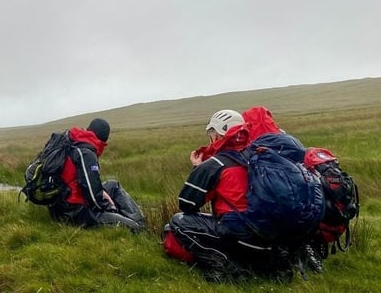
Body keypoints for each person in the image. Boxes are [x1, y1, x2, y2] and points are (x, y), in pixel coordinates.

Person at [163, 108, 285, 281]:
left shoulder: (216, 163)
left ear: (219, 135)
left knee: (179, 222)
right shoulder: (259, 155)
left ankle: (226, 267)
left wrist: (198, 168)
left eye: (212, 132)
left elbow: (187, 204)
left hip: (242, 235)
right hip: (273, 237)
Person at [48, 118, 146, 232]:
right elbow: (92, 195)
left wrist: (102, 193)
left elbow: (82, 183)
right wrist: (110, 208)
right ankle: (141, 227)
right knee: (134, 228)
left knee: (113, 185)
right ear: (103, 140)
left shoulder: (73, 143)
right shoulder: (86, 153)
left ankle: (137, 220)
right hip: (75, 213)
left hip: (60, 206)